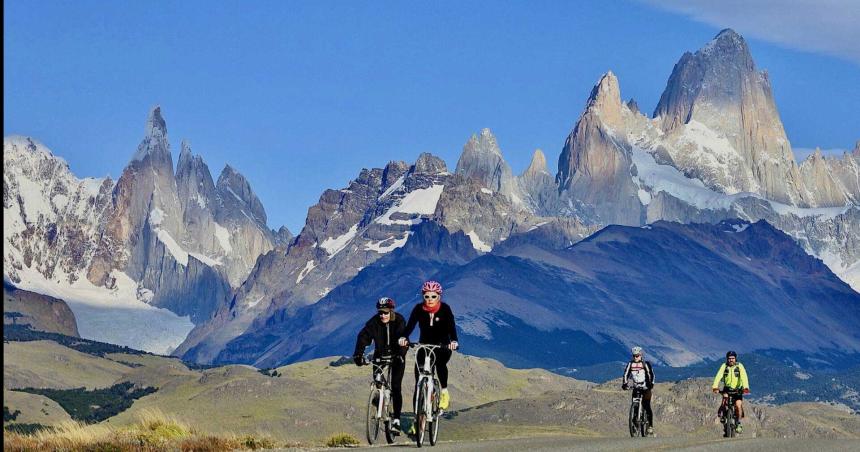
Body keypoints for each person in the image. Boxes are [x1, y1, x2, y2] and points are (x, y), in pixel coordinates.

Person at [398, 280, 459, 412]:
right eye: (427, 296)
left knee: (440, 364)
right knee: (419, 381)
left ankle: (444, 392)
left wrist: (453, 341)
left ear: (439, 296)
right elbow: (410, 326)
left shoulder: (445, 309)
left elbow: (451, 327)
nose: (430, 299)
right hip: (424, 345)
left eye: (433, 296)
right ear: (423, 296)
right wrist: (404, 337)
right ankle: (418, 421)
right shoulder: (418, 309)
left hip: (442, 346)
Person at [354, 297, 407, 433]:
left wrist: (401, 354)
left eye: (385, 312)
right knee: (377, 381)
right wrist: (358, 355)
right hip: (380, 355)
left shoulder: (399, 320)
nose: (383, 315)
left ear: (391, 311)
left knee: (396, 386)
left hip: (397, 356)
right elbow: (363, 337)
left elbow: (403, 338)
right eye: (380, 313)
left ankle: (396, 419)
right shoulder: (373, 323)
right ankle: (379, 400)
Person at [711, 350, 750, 434]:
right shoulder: (724, 366)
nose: (731, 360)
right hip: (727, 388)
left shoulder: (739, 366)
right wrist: (715, 386)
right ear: (727, 359)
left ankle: (738, 423)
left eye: (733, 358)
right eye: (729, 358)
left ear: (735, 359)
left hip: (738, 389)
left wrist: (746, 387)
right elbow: (718, 376)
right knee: (724, 399)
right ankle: (723, 415)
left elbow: (744, 376)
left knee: (738, 405)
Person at [622, 346, 655, 435]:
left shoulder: (645, 364)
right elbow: (626, 374)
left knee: (647, 406)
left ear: (641, 355)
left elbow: (651, 375)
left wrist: (650, 384)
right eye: (634, 356)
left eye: (637, 356)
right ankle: (635, 425)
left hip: (646, 387)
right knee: (635, 406)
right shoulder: (630, 364)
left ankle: (650, 426)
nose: (636, 357)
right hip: (636, 387)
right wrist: (625, 384)